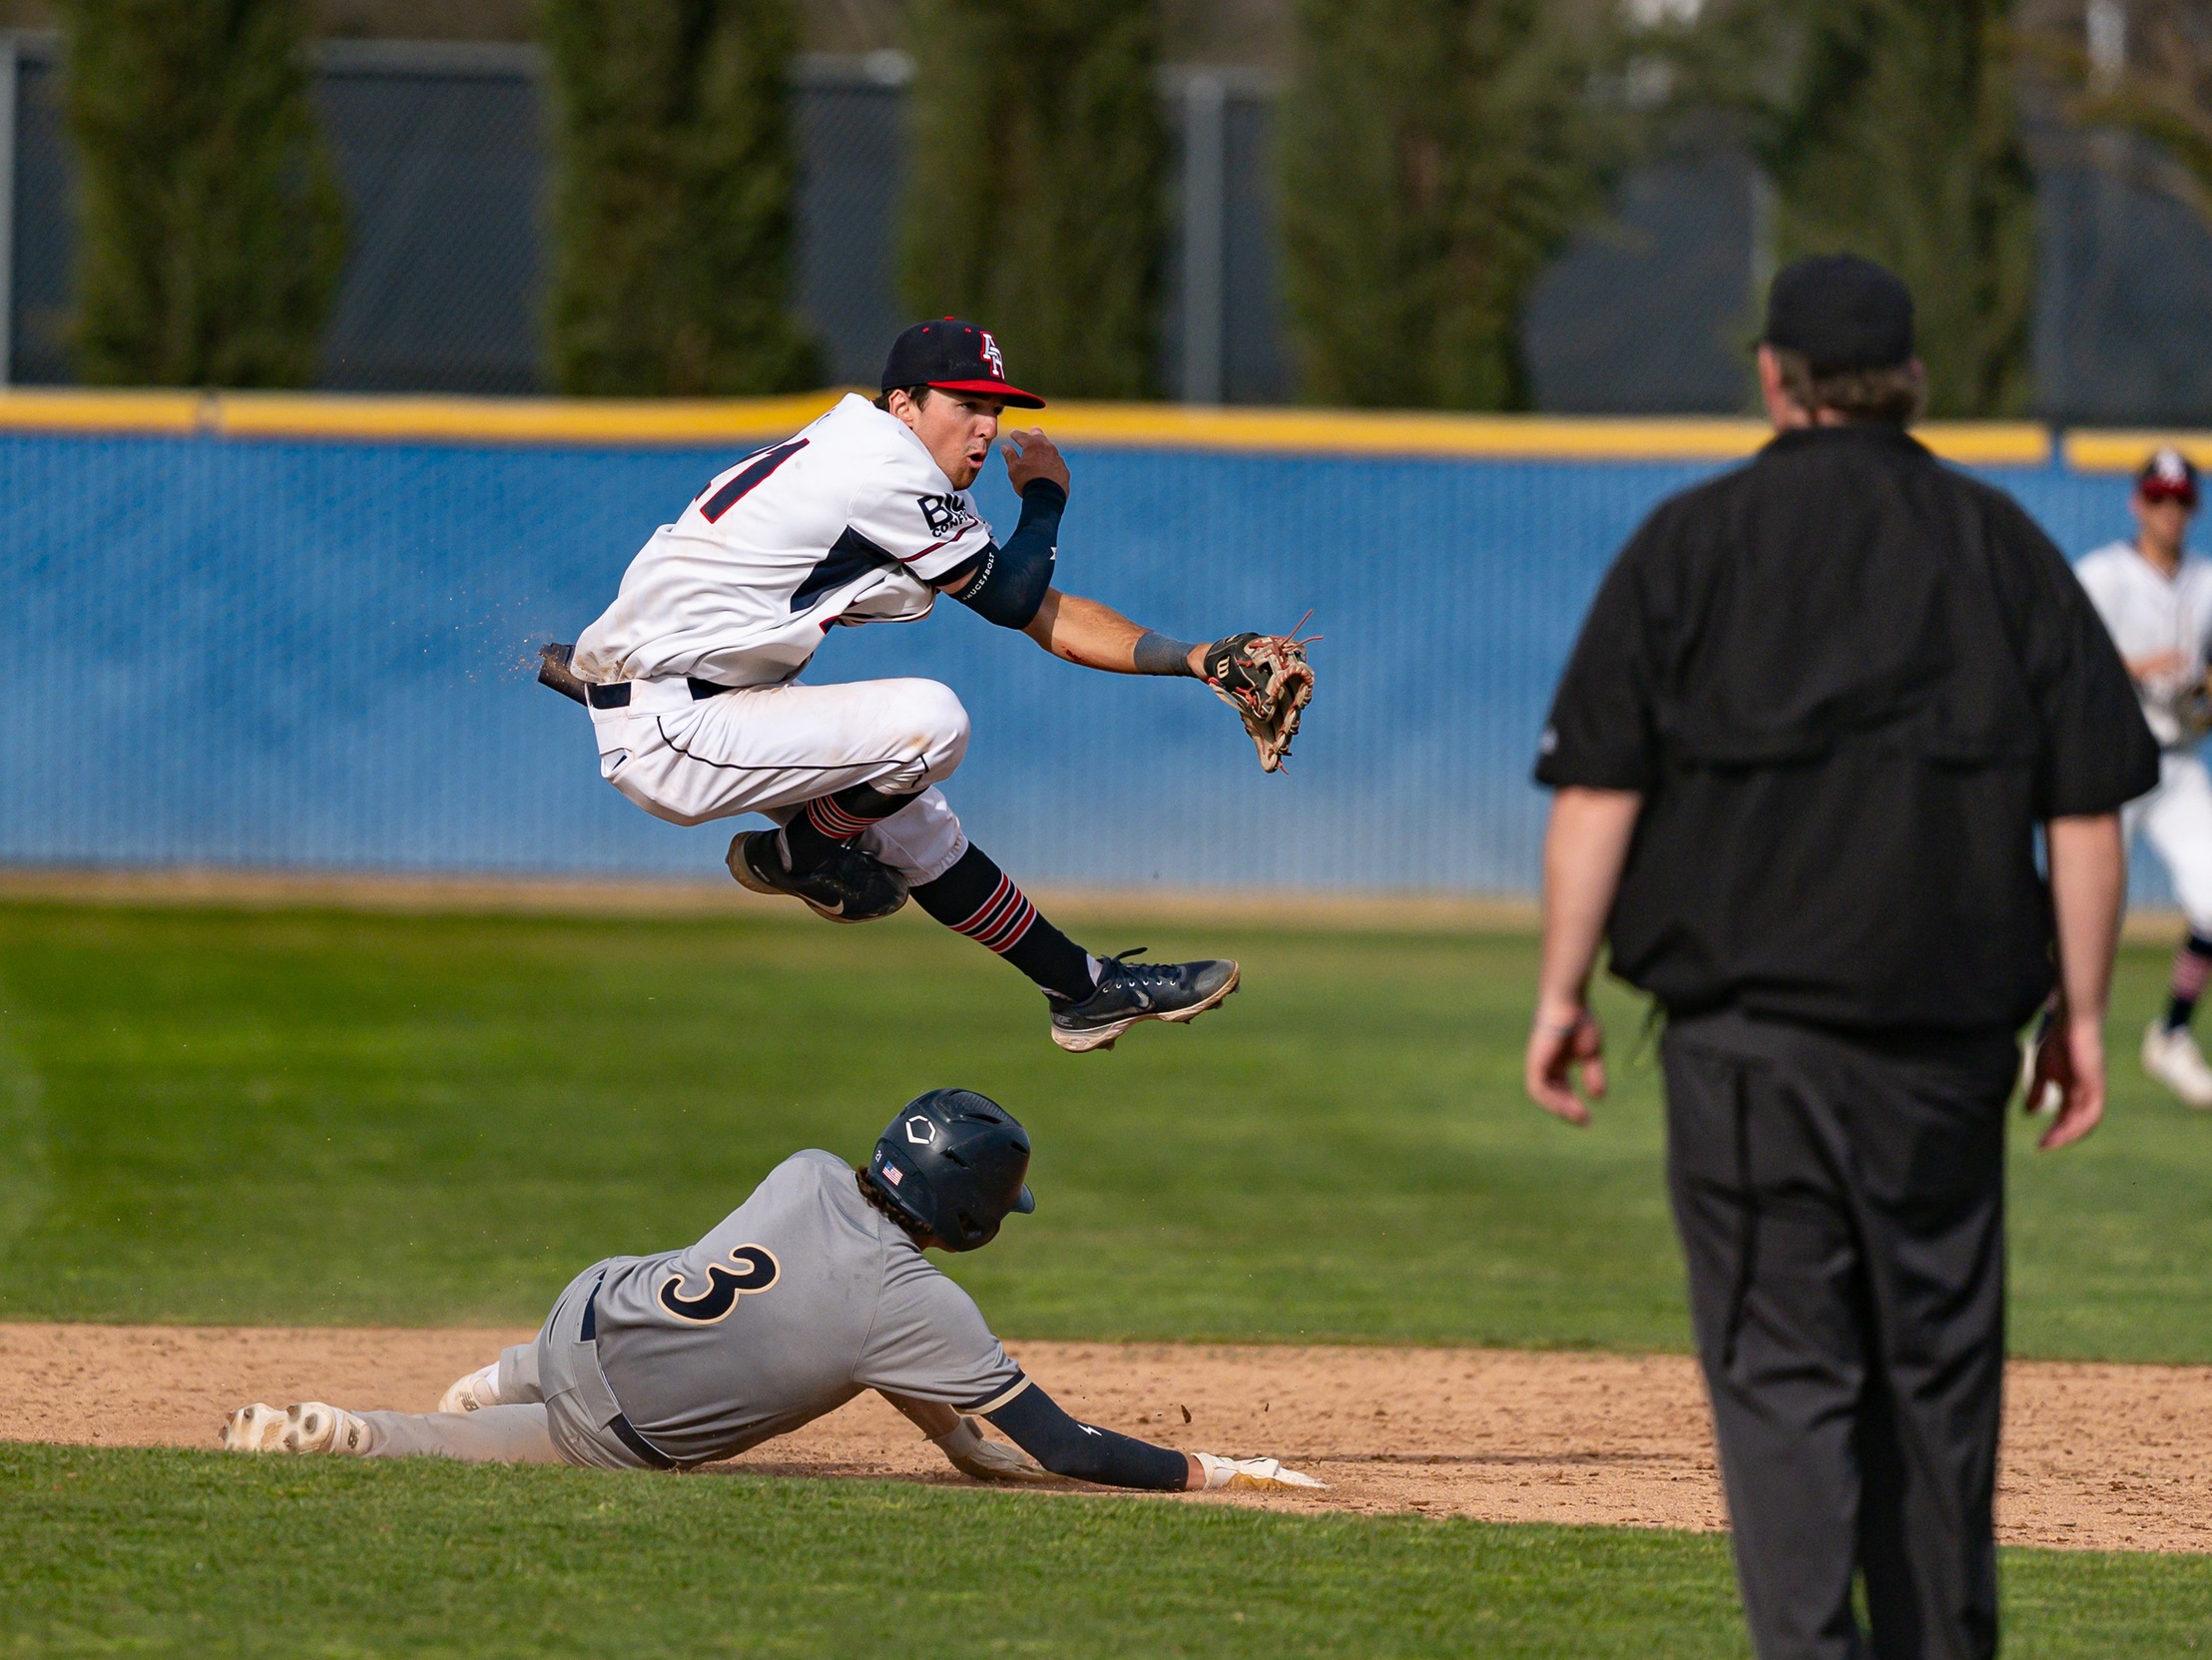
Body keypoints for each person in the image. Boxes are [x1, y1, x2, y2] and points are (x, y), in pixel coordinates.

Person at [1522, 254, 2156, 1660]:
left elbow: (1599, 795)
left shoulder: (1693, 542)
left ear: (1773, 375)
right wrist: (2089, 1018)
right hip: (1942, 1056)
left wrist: (1563, 991)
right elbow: (2088, 810)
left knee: (1784, 1381)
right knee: (1936, 1384)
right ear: (1913, 379)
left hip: (1749, 1054)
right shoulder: (2001, 545)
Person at [541, 318, 1310, 1053]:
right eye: (965, 404)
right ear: (904, 403)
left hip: (711, 702)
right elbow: (1013, 598)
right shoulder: (884, 469)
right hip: (677, 726)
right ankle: (800, 856)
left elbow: (1043, 613)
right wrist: (1044, 498)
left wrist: (1196, 656)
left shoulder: (874, 456)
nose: (986, 426)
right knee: (931, 723)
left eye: (995, 408)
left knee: (923, 830)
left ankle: (1084, 990)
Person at [221, 1089, 1324, 1495]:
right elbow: (1067, 1449)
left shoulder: (802, 1170)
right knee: (495, 1452)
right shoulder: (922, 1309)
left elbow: (845, 1327)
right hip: (623, 1426)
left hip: (583, 1305)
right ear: (971, 1217)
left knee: (593, 1334)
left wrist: (948, 1437)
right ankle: (356, 1432)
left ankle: (499, 1372)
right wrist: (1211, 1468)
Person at [2074, 447, 2212, 1107]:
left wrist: (2202, 692)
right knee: (2086, 909)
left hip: (2178, 762)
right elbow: (2063, 655)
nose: (2169, 510)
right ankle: (2051, 1037)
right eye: (2158, 497)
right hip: (2111, 757)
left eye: (2181, 500)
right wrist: (2138, 666)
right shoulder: (2103, 575)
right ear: (2137, 502)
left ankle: (2173, 1033)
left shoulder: (2207, 582)